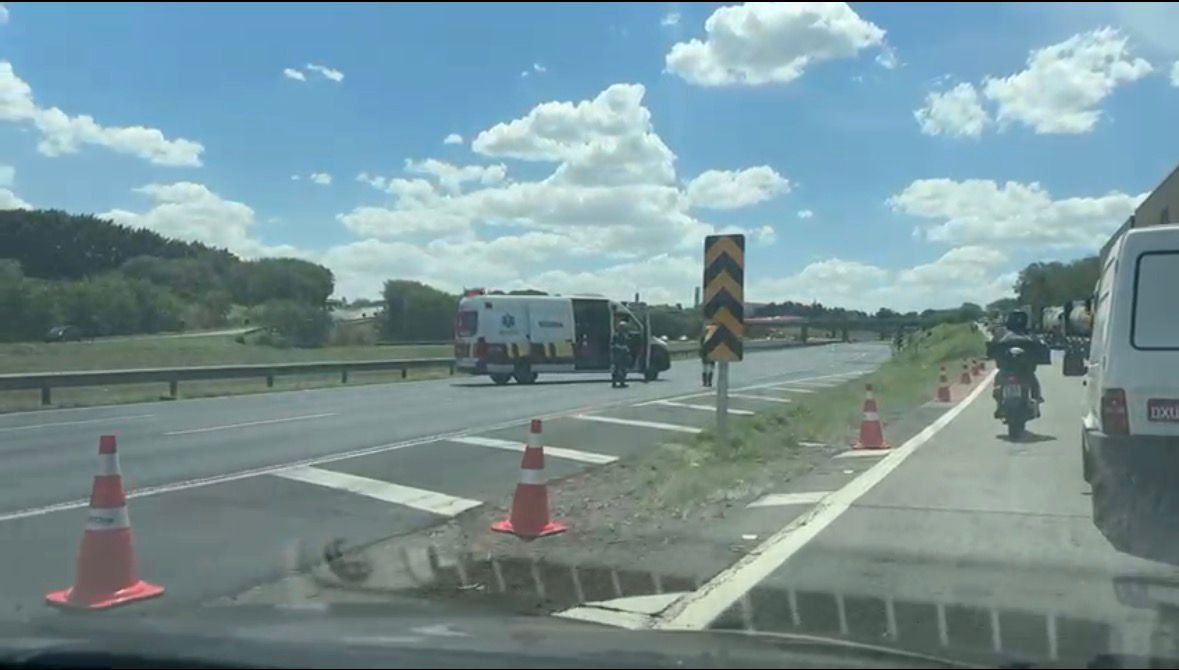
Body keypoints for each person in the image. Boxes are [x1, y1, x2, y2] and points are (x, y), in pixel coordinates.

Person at [992, 311, 1044, 404]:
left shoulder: (1002, 334)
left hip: (1009, 370)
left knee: (999, 379)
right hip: (1023, 370)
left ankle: (1000, 401)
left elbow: (993, 346)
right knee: (1033, 381)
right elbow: (1039, 347)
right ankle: (1036, 397)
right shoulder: (1029, 335)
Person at [610, 321, 631, 388]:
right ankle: (614, 383)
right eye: (622, 327)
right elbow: (612, 345)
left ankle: (622, 382)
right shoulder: (616, 336)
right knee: (616, 369)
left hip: (624, 354)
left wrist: (626, 348)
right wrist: (621, 347)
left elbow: (627, 343)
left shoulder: (625, 335)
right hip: (617, 354)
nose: (623, 328)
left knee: (624, 369)